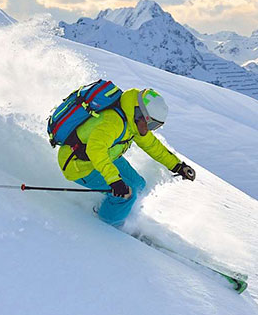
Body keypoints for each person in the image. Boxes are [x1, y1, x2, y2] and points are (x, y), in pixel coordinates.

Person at [56, 87, 196, 227]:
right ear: (139, 113)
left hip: (106, 155)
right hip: (79, 164)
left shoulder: (133, 123)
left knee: (139, 184)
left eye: (155, 126)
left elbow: (153, 146)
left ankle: (112, 209)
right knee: (126, 195)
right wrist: (114, 180)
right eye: (150, 123)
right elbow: (95, 150)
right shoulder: (113, 122)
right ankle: (106, 225)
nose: (149, 129)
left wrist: (178, 166)